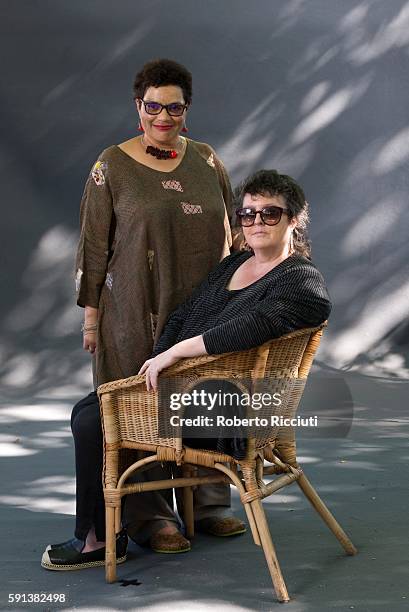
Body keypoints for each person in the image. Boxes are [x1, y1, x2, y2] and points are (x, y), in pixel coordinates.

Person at [41, 168, 331, 571]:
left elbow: (252, 326)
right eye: (247, 214)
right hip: (189, 392)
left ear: (293, 219)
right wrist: (160, 363)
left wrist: (176, 353)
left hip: (232, 412)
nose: (256, 223)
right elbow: (182, 316)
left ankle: (96, 539)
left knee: (92, 419)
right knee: (87, 411)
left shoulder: (300, 278)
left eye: (270, 214)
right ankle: (114, 529)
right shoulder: (232, 267)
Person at [42, 58, 241, 572]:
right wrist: (91, 319)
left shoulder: (207, 160)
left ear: (186, 110)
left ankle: (208, 501)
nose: (163, 115)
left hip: (202, 308)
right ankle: (153, 518)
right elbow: (93, 247)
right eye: (153, 106)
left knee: (205, 395)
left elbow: (236, 236)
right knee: (138, 409)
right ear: (139, 107)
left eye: (174, 107)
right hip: (133, 311)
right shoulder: (111, 164)